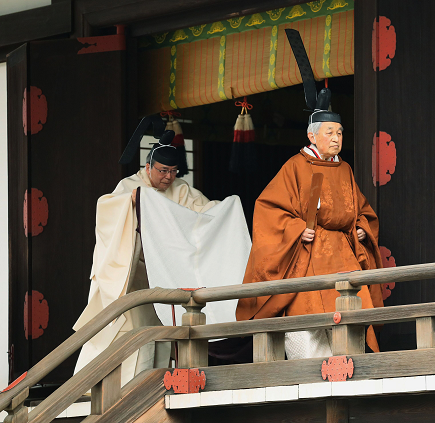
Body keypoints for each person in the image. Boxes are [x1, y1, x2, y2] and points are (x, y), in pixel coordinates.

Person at [236, 29, 384, 360]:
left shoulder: (344, 168)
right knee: (308, 328)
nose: (337, 138)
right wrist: (293, 229)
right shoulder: (295, 167)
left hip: (344, 255)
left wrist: (362, 226)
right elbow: (268, 209)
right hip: (309, 253)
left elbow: (361, 209)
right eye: (330, 132)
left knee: (350, 328)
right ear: (312, 134)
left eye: (340, 132)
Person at [73, 116, 247, 385]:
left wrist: (225, 209)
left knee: (165, 333)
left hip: (165, 274)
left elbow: (202, 216)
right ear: (148, 166)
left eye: (173, 171)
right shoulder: (131, 187)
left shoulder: (181, 190)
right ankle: (118, 387)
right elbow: (106, 208)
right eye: (162, 170)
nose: (168, 177)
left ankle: (157, 384)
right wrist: (133, 203)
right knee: (133, 333)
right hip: (135, 277)